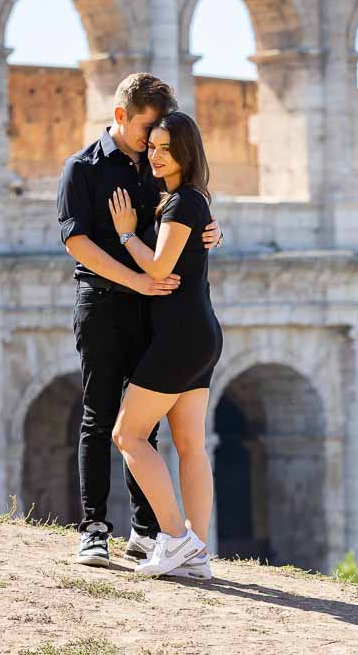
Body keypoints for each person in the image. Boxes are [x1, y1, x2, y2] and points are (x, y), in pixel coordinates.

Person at [57, 74, 222, 568]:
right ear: (122, 115)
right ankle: (93, 529)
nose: (153, 145)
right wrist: (137, 278)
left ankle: (150, 532)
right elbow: (75, 241)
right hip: (106, 303)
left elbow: (184, 213)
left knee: (142, 430)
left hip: (157, 312)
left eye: (162, 139)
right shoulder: (82, 168)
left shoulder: (157, 170)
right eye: (148, 132)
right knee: (99, 414)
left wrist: (208, 231)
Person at [108, 110, 223, 578]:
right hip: (199, 334)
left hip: (181, 338)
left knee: (127, 434)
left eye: (165, 149)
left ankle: (175, 538)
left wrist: (125, 233)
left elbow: (158, 268)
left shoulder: (183, 204)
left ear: (185, 153)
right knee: (190, 445)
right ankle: (197, 553)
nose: (154, 156)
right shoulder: (189, 201)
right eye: (151, 147)